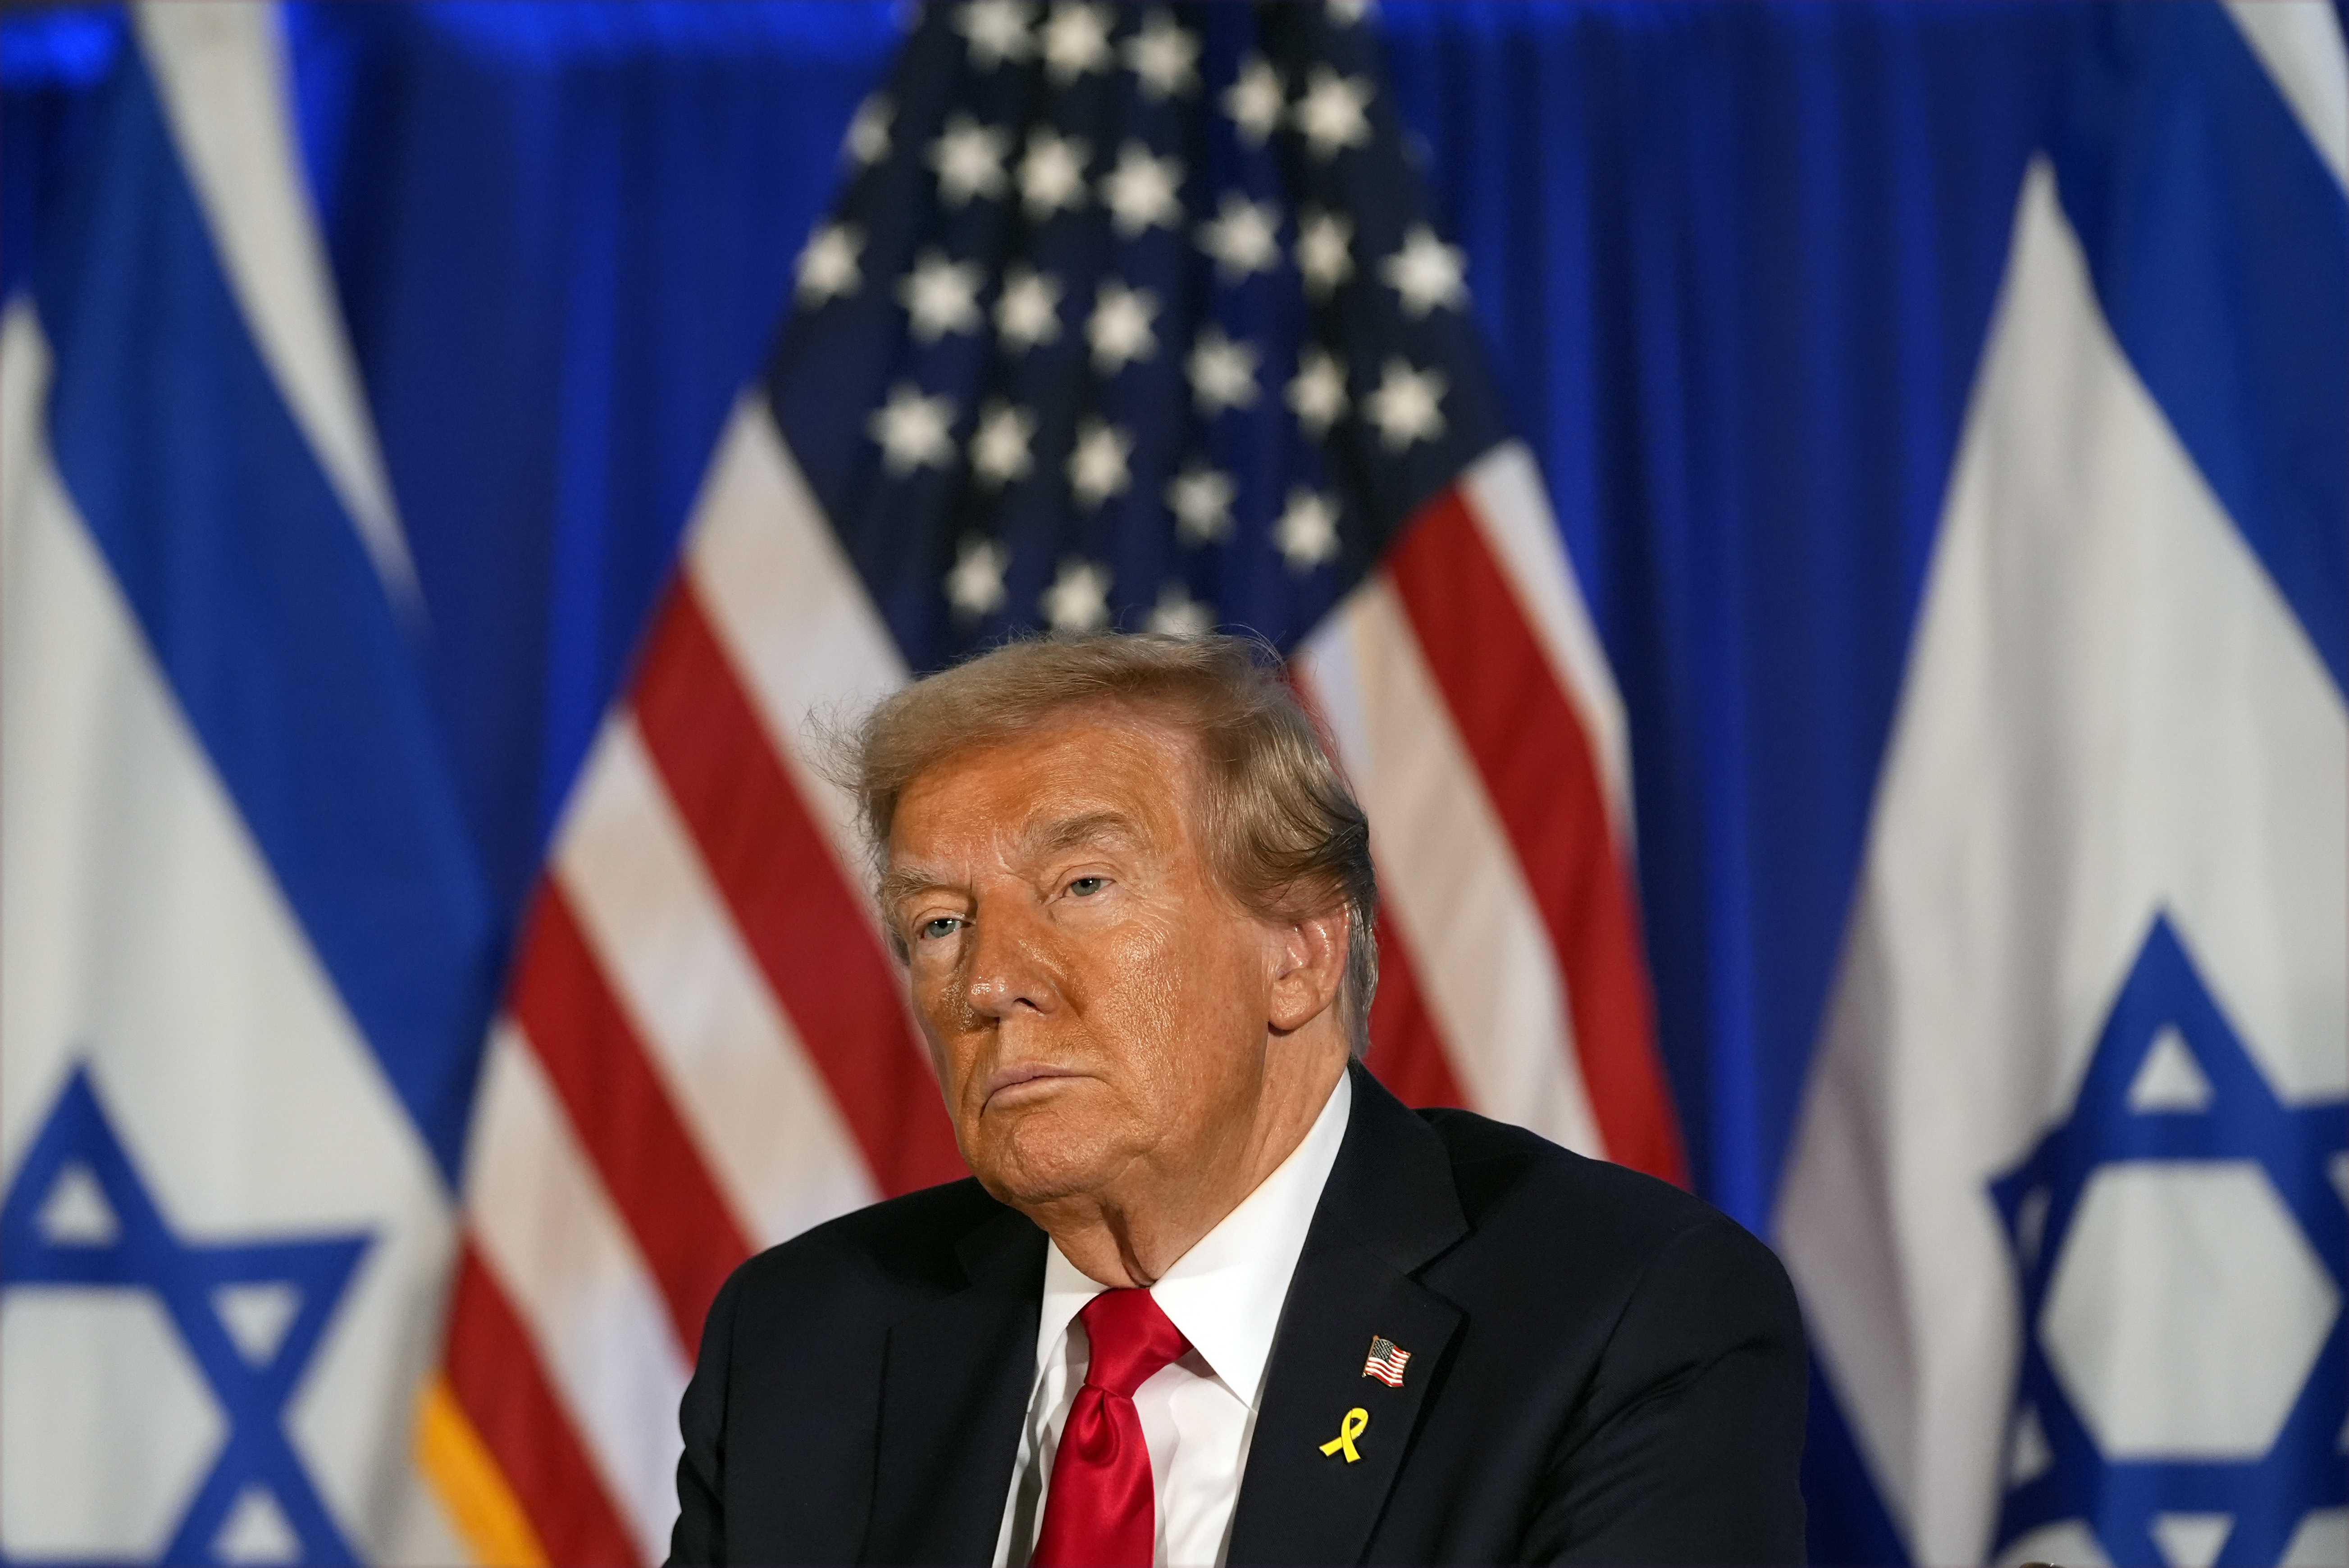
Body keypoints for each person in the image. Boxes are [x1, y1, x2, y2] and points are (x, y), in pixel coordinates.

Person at [668, 632, 1806, 1567]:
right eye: (939, 924)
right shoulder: (800, 1343)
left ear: (1301, 953)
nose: (989, 982)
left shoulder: (1619, 1321)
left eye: (1081, 885)